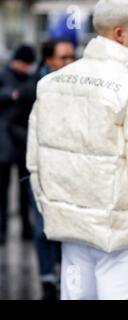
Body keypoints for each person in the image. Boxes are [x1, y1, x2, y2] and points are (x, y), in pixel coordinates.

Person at [26, 0, 128, 300]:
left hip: (71, 232)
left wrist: (53, 211)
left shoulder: (50, 83)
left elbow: (36, 163)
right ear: (119, 34)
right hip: (123, 240)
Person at [9, 39, 75, 300]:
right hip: (38, 166)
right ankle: (47, 277)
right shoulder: (32, 89)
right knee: (41, 225)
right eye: (63, 58)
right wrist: (38, 141)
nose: (69, 63)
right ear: (48, 59)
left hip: (68, 167)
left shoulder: (74, 87)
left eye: (72, 57)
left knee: (67, 223)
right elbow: (13, 125)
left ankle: (62, 273)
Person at [0, 45, 36, 245]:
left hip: (23, 142)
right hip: (5, 142)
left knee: (25, 190)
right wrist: (9, 94)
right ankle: (2, 230)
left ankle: (26, 228)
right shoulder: (4, 75)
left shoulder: (29, 79)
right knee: (3, 191)